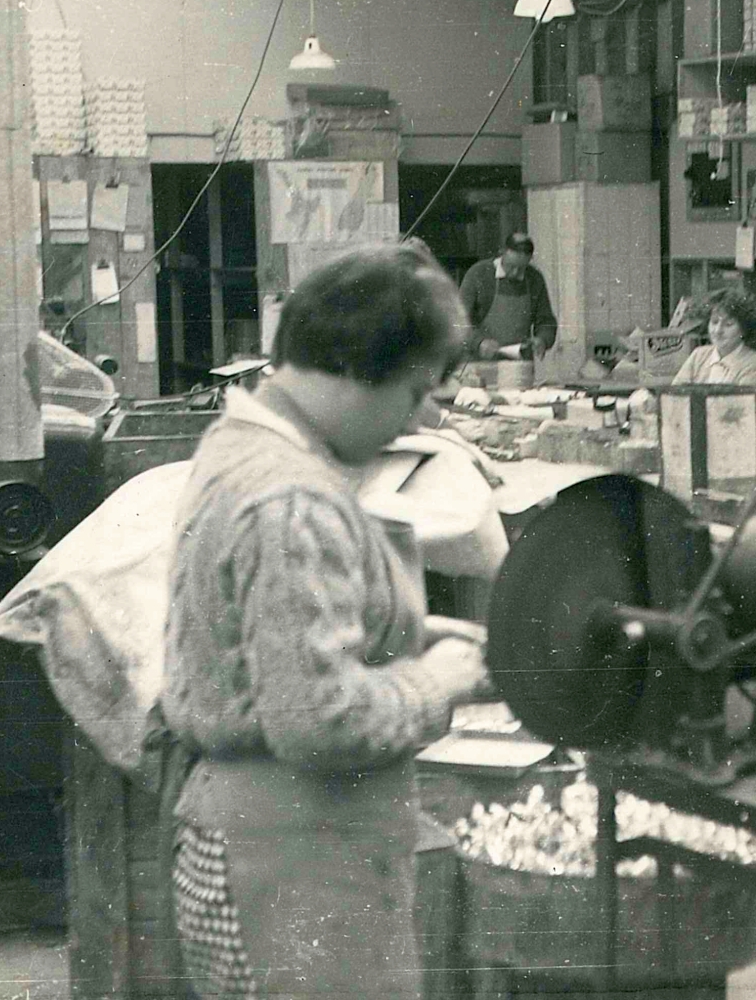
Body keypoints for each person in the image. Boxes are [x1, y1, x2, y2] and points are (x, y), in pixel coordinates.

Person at [159, 243, 490, 1000]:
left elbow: (270, 648)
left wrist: (402, 642)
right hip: (291, 855)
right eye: (415, 392)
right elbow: (317, 720)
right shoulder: (293, 498)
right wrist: (429, 684)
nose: (422, 416)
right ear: (353, 371)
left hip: (267, 836)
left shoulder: (239, 445)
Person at [458, 232, 558, 360]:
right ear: (503, 253)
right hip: (479, 362)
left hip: (518, 364)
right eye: (511, 267)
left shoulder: (534, 279)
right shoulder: (478, 274)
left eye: (521, 268)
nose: (515, 273)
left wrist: (543, 339)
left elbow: (546, 321)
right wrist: (478, 342)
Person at [671, 287, 756, 394]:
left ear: (744, 329)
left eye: (728, 324)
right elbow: (674, 395)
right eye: (714, 322)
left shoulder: (755, 364)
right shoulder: (698, 355)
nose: (718, 330)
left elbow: (737, 406)